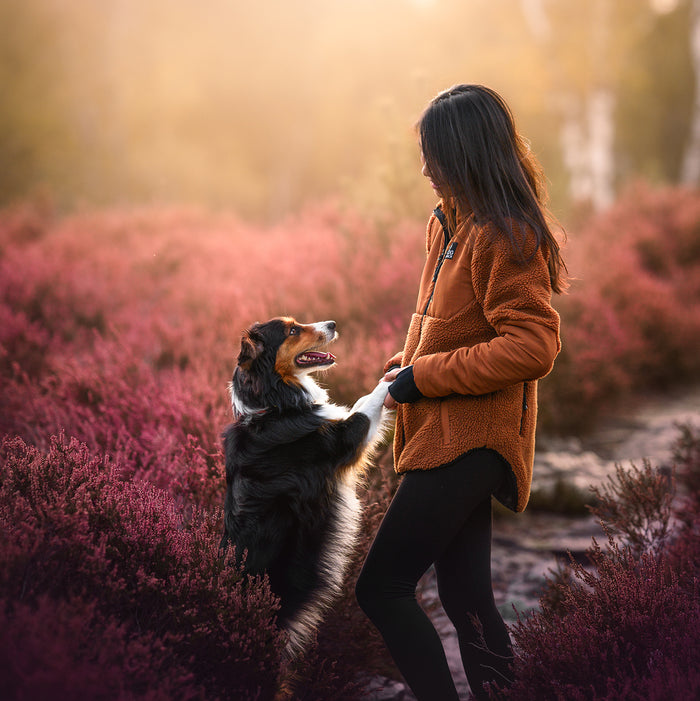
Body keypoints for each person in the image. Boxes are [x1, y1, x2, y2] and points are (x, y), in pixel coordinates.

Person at [355, 84, 566, 700]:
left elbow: (533, 345)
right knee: (465, 598)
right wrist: (407, 366)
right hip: (445, 434)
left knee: (382, 589)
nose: (423, 166)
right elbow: (452, 327)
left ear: (466, 151)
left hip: (473, 440)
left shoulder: (506, 234)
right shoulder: (448, 222)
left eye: (434, 151)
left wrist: (425, 377)